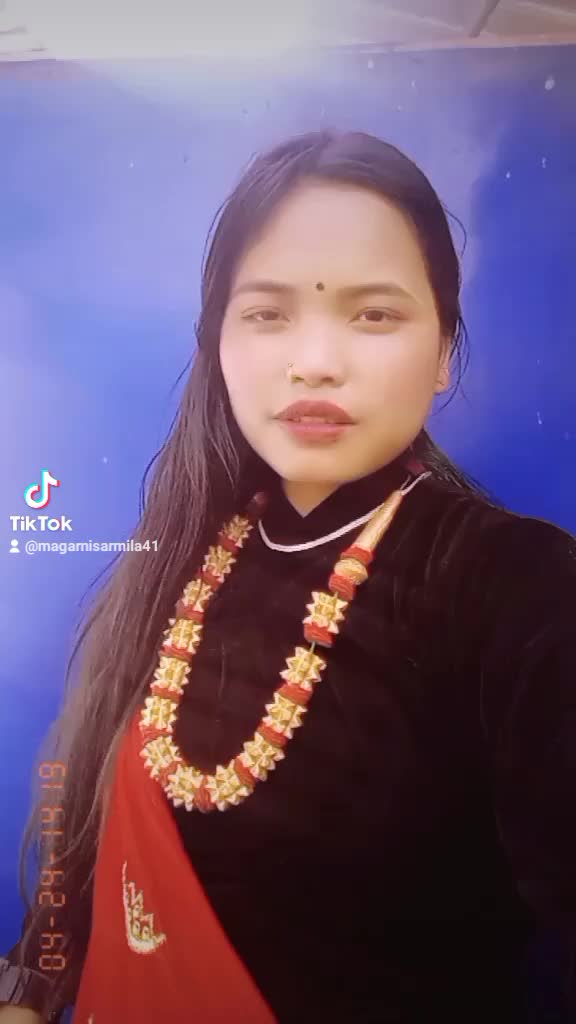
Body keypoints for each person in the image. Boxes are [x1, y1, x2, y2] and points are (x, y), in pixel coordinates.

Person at [1, 128, 575, 1023]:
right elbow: (79, 854)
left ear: (443, 354)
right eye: (267, 314)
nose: (315, 361)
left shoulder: (516, 589)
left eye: (373, 315)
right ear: (218, 344)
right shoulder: (183, 557)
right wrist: (30, 991)